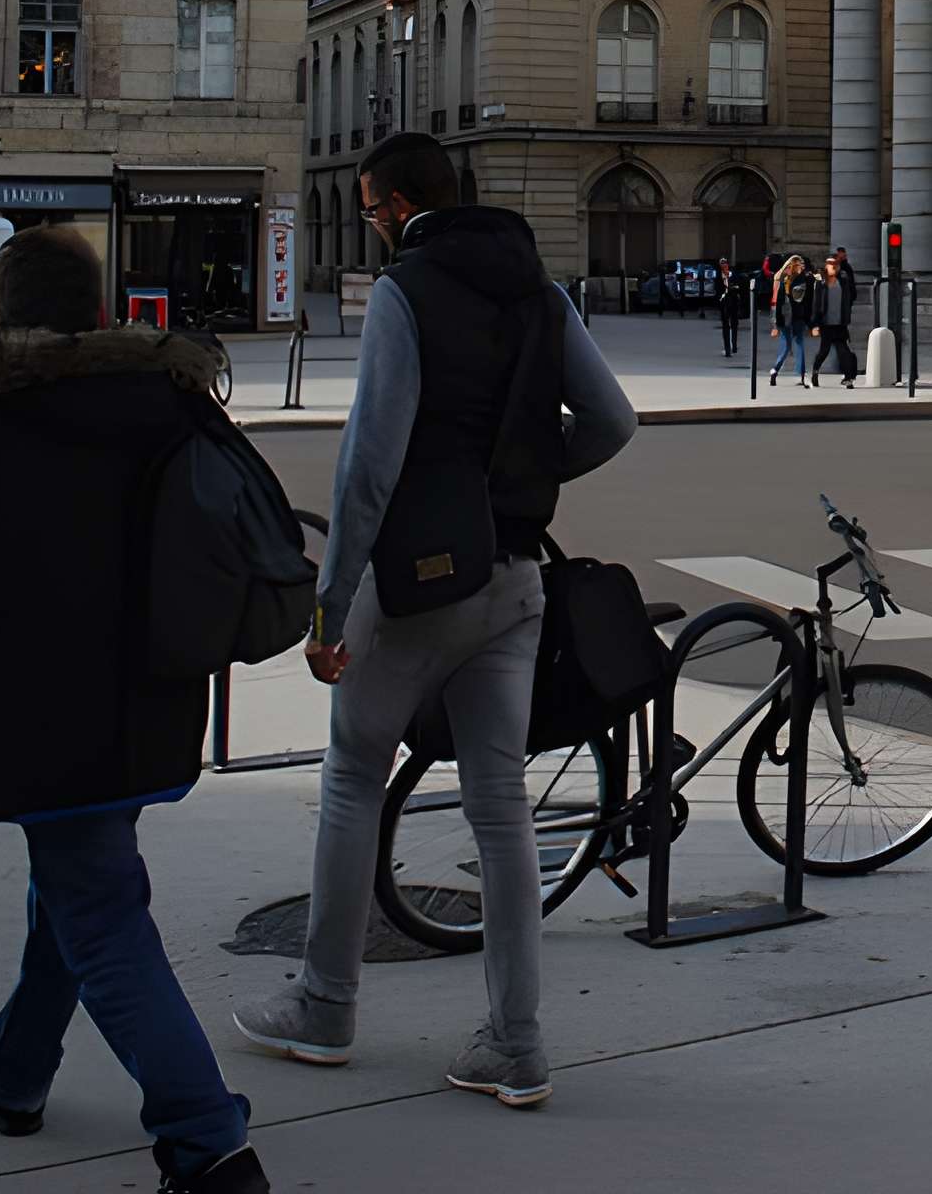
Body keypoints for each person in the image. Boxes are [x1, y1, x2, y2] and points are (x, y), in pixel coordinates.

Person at [0, 228, 267, 1194]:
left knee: (99, 910)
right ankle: (15, 1073)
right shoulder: (170, 401)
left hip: (36, 716)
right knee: (83, 882)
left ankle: (207, 1144)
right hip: (155, 699)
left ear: (0, 315)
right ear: (98, 305)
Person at [231, 132, 636, 1111]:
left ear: (403, 203)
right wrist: (525, 474)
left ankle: (325, 1003)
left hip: (418, 581)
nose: (371, 222)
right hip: (513, 576)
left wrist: (332, 602)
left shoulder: (408, 291)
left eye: (372, 208)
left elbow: (371, 460)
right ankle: (516, 1040)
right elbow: (613, 419)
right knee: (500, 810)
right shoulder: (539, 288)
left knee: (351, 778)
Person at [814, 247, 863, 388]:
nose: (833, 266)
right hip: (826, 324)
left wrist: (847, 312)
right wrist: (815, 324)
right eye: (830, 264)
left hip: (840, 324)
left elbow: (851, 295)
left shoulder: (844, 280)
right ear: (826, 266)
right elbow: (816, 305)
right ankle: (815, 372)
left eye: (836, 264)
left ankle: (848, 379)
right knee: (824, 352)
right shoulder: (821, 282)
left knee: (844, 352)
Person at [770, 253, 814, 386]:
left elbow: (775, 302)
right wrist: (810, 322)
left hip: (783, 317)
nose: (802, 267)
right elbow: (806, 301)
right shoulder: (803, 280)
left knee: (786, 346)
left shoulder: (781, 278)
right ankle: (801, 375)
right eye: (800, 265)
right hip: (796, 317)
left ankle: (775, 370)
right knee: (799, 344)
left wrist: (775, 324)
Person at [714, 256, 743, 359]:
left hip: (734, 303)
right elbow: (717, 291)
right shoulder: (718, 277)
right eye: (722, 264)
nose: (724, 265)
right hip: (724, 305)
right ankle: (727, 350)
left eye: (725, 263)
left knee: (734, 324)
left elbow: (739, 287)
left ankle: (734, 346)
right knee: (726, 326)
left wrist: (733, 288)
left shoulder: (733, 275)